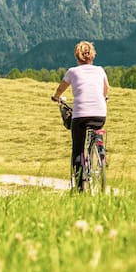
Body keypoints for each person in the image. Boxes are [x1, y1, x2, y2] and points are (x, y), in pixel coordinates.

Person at [52, 40, 109, 191]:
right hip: (100, 115)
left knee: (77, 149)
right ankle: (97, 150)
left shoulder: (72, 72)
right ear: (93, 56)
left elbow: (61, 88)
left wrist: (56, 97)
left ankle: (78, 188)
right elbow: (106, 89)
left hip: (80, 116)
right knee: (96, 129)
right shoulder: (100, 70)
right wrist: (103, 98)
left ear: (77, 57)